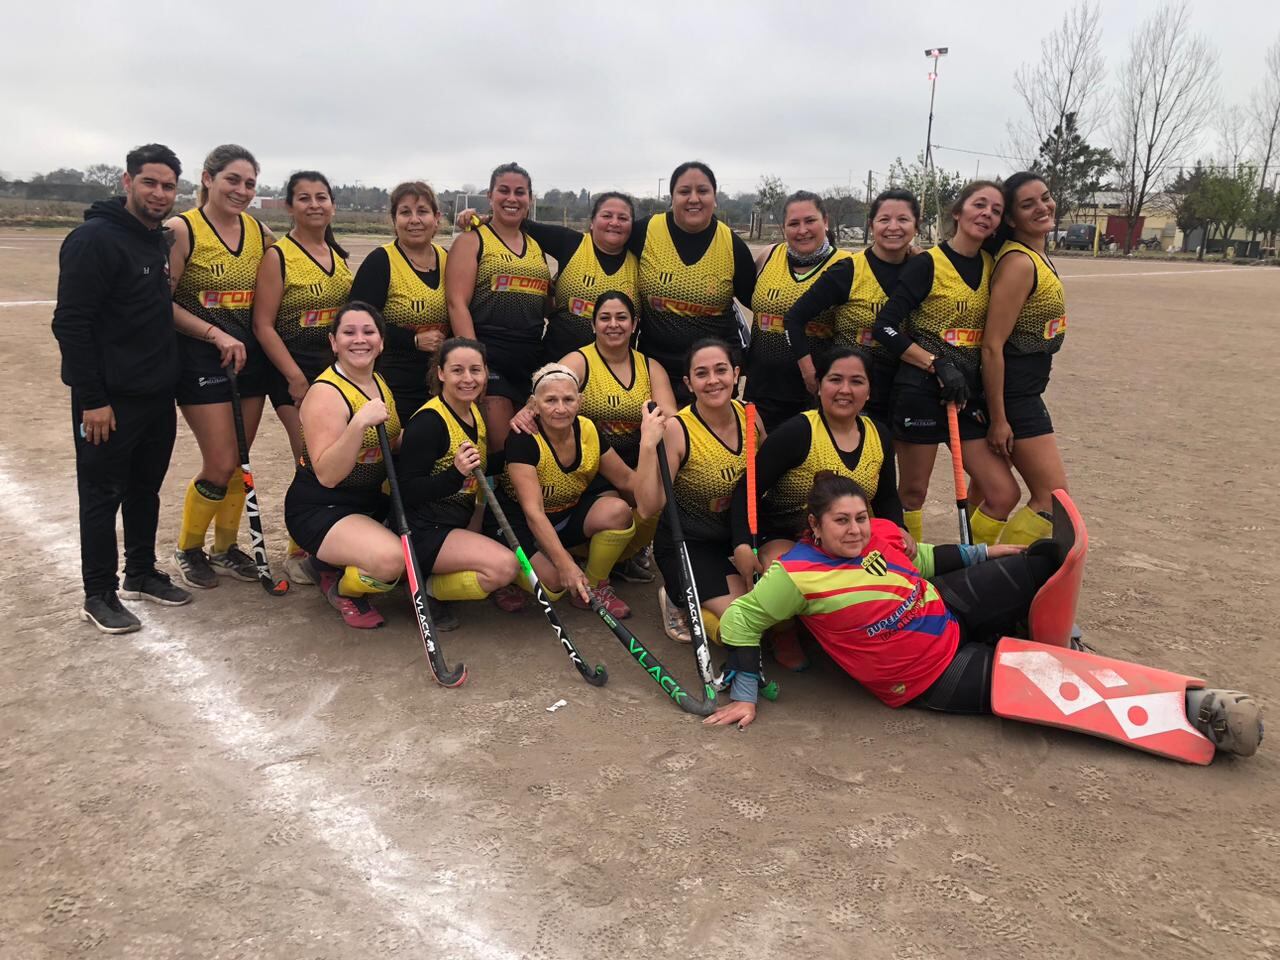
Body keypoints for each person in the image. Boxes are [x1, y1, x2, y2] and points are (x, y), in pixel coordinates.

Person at [704, 474, 1263, 761]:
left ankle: (1048, 640)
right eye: (840, 522)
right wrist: (746, 693)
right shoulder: (796, 575)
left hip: (944, 609)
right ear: (815, 525)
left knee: (1042, 558)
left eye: (859, 517)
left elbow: (923, 560)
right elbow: (740, 623)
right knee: (1050, 683)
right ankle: (1191, 709)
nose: (854, 530)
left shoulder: (876, 536)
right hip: (928, 673)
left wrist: (991, 553)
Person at [52, 143, 192, 633]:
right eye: (150, 182)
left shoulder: (156, 239)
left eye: (168, 185)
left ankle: (140, 571)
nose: (159, 193)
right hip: (109, 401)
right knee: (100, 494)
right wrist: (93, 399)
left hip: (156, 395)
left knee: (144, 490)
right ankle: (99, 592)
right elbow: (71, 324)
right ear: (126, 182)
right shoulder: (94, 239)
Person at [729, 347, 902, 669]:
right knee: (781, 565)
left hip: (846, 536)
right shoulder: (797, 432)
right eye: (835, 379)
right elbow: (746, 490)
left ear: (869, 391)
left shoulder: (880, 434)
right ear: (818, 385)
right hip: (788, 536)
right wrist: (742, 543)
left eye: (856, 381)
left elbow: (887, 498)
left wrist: (900, 530)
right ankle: (784, 631)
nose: (845, 390)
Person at [872, 181, 1020, 547]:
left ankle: (972, 561)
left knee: (1002, 493)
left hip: (965, 397)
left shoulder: (995, 266)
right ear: (958, 212)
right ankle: (914, 572)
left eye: (996, 210)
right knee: (912, 494)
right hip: (920, 391)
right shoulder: (927, 264)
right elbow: (885, 326)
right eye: (979, 204)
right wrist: (935, 364)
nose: (986, 213)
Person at [511, 291, 678, 584]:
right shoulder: (579, 361)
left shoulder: (651, 367)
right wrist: (524, 414)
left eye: (621, 317)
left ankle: (622, 559)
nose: (613, 324)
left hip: (633, 462)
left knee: (657, 494)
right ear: (593, 325)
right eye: (605, 318)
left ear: (635, 323)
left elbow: (672, 422)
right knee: (614, 510)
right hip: (593, 466)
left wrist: (652, 451)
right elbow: (543, 396)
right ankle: (579, 556)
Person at [167, 144, 276, 589]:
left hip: (247, 361)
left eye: (250, 183)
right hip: (198, 359)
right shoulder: (182, 229)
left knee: (239, 462)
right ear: (208, 178)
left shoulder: (258, 231)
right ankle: (188, 548)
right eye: (233, 179)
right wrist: (214, 334)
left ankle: (225, 547)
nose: (242, 190)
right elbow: (162, 303)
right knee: (220, 459)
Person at [492, 363, 664, 618]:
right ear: (534, 404)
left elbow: (627, 480)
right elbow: (533, 513)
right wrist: (565, 565)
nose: (560, 408)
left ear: (580, 401)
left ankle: (594, 587)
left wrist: (649, 448)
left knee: (617, 511)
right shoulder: (523, 438)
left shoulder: (588, 429)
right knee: (554, 585)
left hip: (564, 516)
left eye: (568, 399)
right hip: (522, 524)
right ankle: (506, 572)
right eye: (550, 400)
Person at [252, 170, 352, 582]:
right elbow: (263, 325)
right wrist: (294, 377)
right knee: (310, 458)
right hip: (294, 372)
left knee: (342, 458)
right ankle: (301, 544)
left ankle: (335, 535)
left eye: (322, 197)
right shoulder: (278, 255)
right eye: (304, 198)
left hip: (335, 372)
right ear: (290, 206)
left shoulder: (340, 256)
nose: (315, 205)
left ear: (332, 204)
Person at [634, 339, 766, 644]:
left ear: (735, 374)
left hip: (738, 537)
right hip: (689, 543)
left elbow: (765, 480)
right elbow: (646, 507)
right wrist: (647, 445)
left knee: (773, 610)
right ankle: (677, 596)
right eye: (701, 374)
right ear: (689, 383)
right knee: (743, 622)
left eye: (721, 370)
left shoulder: (750, 416)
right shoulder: (678, 430)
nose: (713, 381)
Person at [282, 302, 402, 629]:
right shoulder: (325, 393)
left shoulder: (377, 380)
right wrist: (357, 424)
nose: (359, 339)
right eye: (349, 333)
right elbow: (328, 474)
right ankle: (338, 584)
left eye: (368, 332)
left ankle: (328, 560)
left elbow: (391, 444)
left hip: (366, 501)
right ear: (334, 342)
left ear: (381, 342)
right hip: (323, 507)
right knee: (391, 561)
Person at [396, 338, 519, 631]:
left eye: (475, 370)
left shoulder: (473, 410)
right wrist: (454, 474)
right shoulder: (428, 422)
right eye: (457, 370)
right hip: (424, 529)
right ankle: (425, 589)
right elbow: (406, 492)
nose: (468, 379)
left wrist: (529, 445)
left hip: (457, 520)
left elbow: (483, 467)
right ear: (441, 374)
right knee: (504, 568)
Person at [983, 173, 1070, 546]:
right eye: (1028, 204)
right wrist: (999, 418)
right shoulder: (1019, 263)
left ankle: (971, 563)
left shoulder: (1035, 255)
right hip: (1015, 395)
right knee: (1051, 498)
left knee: (989, 496)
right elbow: (992, 346)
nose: (1042, 207)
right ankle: (1004, 565)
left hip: (1026, 388)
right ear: (1012, 219)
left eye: (1045, 197)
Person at [785, 188, 921, 421]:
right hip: (852, 391)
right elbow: (794, 319)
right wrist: (810, 374)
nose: (893, 227)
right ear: (871, 225)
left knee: (887, 456)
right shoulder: (848, 270)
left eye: (903, 219)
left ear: (916, 225)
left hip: (903, 388)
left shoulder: (924, 270)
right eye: (884, 219)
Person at [446, 162, 552, 459]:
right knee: (505, 447)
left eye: (520, 192)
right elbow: (456, 303)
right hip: (491, 354)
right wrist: (475, 362)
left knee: (531, 447)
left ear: (530, 199)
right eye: (503, 191)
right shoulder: (472, 240)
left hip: (531, 357)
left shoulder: (535, 246)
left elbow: (543, 301)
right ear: (490, 195)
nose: (512, 198)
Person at [634, 162, 757, 401]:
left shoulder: (732, 245)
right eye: (684, 192)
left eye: (702, 191)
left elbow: (758, 302)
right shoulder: (645, 231)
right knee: (664, 435)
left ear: (715, 197)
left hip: (712, 372)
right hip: (657, 369)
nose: (693, 199)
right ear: (672, 198)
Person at [743, 191, 843, 430]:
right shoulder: (768, 255)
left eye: (810, 221)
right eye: (794, 223)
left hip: (812, 393)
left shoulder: (846, 264)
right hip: (762, 388)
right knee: (759, 464)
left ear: (825, 221)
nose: (802, 230)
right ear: (783, 227)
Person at [349, 180, 450, 417]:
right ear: (394, 220)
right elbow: (356, 323)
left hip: (441, 381)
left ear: (436, 218)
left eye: (422, 211)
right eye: (405, 212)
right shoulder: (380, 262)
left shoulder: (449, 259)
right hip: (394, 381)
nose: (414, 219)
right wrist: (412, 340)